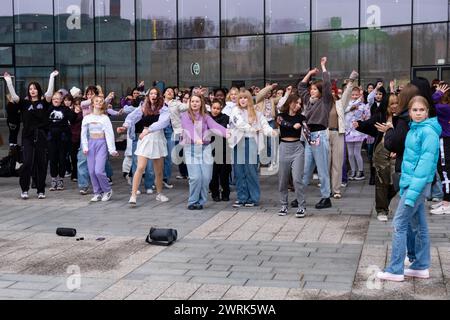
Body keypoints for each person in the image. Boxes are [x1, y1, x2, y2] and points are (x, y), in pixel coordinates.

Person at [377, 96, 441, 282]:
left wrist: (412, 193)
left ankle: (395, 269)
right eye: (415, 110)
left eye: (422, 110)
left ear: (427, 112)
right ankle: (421, 266)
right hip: (410, 184)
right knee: (419, 226)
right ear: (410, 113)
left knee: (399, 224)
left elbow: (424, 166)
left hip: (416, 186)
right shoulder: (416, 129)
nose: (418, 113)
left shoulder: (428, 132)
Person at [3, 70, 59, 199]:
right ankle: (24, 189)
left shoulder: (44, 103)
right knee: (27, 162)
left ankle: (40, 190)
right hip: (27, 136)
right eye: (30, 89)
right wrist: (8, 82)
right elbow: (14, 96)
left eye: (34, 88)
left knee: (41, 163)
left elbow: (49, 93)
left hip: (41, 135)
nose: (32, 90)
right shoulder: (24, 103)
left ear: (38, 90)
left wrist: (51, 77)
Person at [118, 88, 171, 206]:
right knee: (140, 167)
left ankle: (159, 193)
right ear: (148, 95)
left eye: (156, 94)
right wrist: (124, 126)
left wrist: (148, 130)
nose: (153, 96)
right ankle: (133, 195)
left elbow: (163, 122)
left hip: (157, 138)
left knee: (158, 170)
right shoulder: (143, 106)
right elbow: (132, 117)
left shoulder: (164, 108)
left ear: (159, 96)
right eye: (151, 93)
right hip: (145, 139)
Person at [229, 90, 278, 208]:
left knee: (250, 170)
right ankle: (242, 198)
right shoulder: (235, 111)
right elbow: (239, 123)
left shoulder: (257, 112)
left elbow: (264, 124)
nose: (242, 100)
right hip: (238, 142)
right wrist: (252, 128)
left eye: (245, 98)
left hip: (251, 142)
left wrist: (270, 131)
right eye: (241, 98)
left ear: (250, 99)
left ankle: (253, 198)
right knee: (239, 171)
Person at [181, 94, 229, 210]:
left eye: (197, 101)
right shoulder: (185, 115)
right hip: (191, 148)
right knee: (196, 177)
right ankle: (192, 201)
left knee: (206, 177)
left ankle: (201, 202)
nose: (194, 103)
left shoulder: (205, 117)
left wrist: (227, 133)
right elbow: (189, 128)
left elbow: (215, 126)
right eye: (192, 101)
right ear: (190, 103)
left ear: (201, 103)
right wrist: (196, 138)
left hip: (205, 149)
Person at [298, 57, 333, 209]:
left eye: (314, 89)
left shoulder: (325, 101)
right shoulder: (308, 102)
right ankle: (300, 196)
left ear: (320, 92)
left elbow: (327, 84)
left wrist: (323, 67)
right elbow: (301, 87)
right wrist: (310, 73)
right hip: (308, 136)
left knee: (322, 168)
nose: (311, 91)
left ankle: (326, 197)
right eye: (311, 89)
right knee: (305, 169)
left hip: (319, 135)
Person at [81, 95, 118, 202]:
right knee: (92, 171)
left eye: (101, 101)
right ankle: (97, 192)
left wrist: (112, 149)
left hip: (101, 144)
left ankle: (107, 190)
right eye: (96, 101)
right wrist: (85, 146)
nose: (99, 102)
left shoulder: (105, 118)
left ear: (103, 104)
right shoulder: (87, 118)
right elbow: (83, 134)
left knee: (99, 171)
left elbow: (109, 134)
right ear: (92, 103)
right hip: (91, 144)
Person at [276, 94, 307, 217]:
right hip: (284, 147)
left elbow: (307, 130)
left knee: (297, 179)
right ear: (290, 102)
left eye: (300, 104)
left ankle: (301, 206)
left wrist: (314, 140)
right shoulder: (281, 116)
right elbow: (281, 122)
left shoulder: (302, 117)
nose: (299, 105)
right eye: (297, 103)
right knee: (283, 179)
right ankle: (283, 205)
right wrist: (292, 126)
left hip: (297, 148)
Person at [429, 83, 450, 215]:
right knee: (444, 170)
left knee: (445, 171)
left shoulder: (444, 108)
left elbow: (428, 104)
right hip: (445, 140)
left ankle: (447, 203)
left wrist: (437, 94)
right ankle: (446, 200)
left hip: (445, 141)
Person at [47, 92, 73, 191]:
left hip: (62, 139)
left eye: (58, 98)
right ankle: (53, 179)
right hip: (51, 139)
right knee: (53, 159)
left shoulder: (65, 109)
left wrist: (71, 109)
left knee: (62, 159)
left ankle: (61, 180)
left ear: (61, 100)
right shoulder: (48, 109)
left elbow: (73, 118)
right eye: (54, 98)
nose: (56, 100)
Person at [209, 99, 232, 202]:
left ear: (221, 108)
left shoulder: (225, 117)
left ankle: (226, 193)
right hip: (211, 149)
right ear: (210, 107)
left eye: (218, 108)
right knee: (214, 174)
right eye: (214, 108)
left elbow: (222, 129)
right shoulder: (207, 117)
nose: (216, 110)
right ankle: (215, 193)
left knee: (224, 173)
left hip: (224, 148)